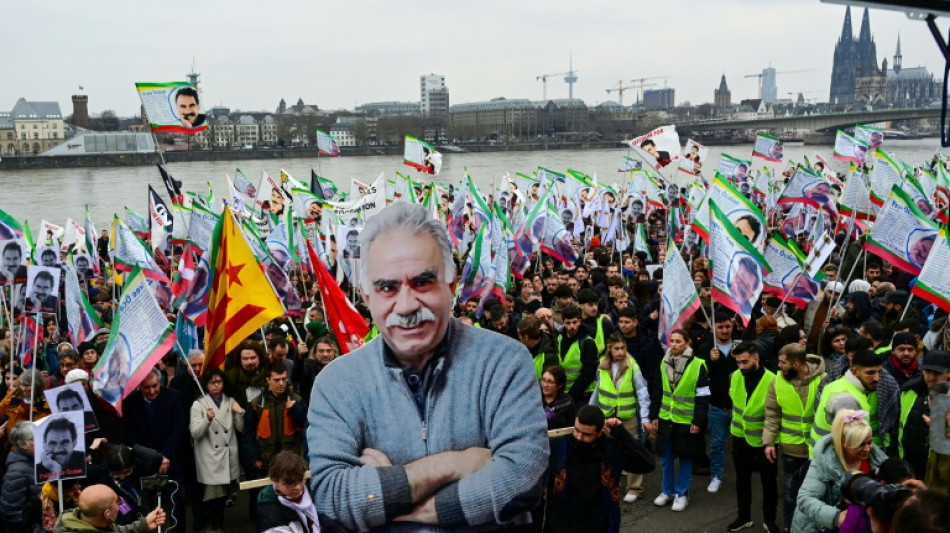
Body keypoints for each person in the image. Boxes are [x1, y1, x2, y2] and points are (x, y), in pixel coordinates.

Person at [307, 202, 548, 530]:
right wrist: (452, 465)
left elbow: (523, 479)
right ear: (366, 296)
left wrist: (389, 491)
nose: (406, 306)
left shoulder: (505, 362)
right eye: (387, 287)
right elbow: (332, 499)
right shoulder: (336, 384)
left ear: (451, 285)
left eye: (422, 282)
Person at [544, 405, 655, 533]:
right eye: (577, 430)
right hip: (561, 525)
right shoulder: (558, 447)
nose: (579, 437)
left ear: (599, 433)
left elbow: (647, 463)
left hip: (598, 525)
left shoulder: (611, 450)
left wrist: (622, 434)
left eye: (587, 434)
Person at [792, 409, 888, 533]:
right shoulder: (823, 463)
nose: (867, 449)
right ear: (843, 442)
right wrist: (836, 517)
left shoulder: (878, 460)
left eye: (869, 442)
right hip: (818, 527)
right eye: (860, 444)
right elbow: (805, 499)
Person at [763, 343, 826, 533]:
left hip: (817, 450)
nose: (779, 366)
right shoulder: (777, 381)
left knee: (817, 493)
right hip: (791, 448)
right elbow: (772, 413)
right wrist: (769, 442)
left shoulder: (823, 380)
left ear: (797, 364)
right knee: (791, 492)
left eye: (783, 362)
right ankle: (789, 527)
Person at [121, 369, 187, 533]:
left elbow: (179, 427)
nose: (152, 391)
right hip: (144, 463)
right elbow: (130, 434)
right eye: (147, 387)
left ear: (160, 382)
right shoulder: (130, 402)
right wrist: (149, 457)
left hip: (170, 459)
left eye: (155, 386)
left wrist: (165, 454)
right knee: (146, 506)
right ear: (139, 386)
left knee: (175, 502)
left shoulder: (173, 396)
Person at [651, 328, 710, 512]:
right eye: (672, 341)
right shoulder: (664, 362)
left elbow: (703, 397)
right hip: (666, 417)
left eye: (678, 341)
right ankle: (667, 491)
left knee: (686, 458)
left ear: (687, 343)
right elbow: (658, 390)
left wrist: (698, 421)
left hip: (686, 420)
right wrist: (654, 415)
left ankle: (682, 493)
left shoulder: (698, 365)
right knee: (665, 458)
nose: (674, 345)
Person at [589, 332, 652, 503]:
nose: (621, 352)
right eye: (616, 348)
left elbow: (642, 392)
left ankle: (634, 488)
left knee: (632, 449)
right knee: (607, 451)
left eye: (623, 348)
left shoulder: (632, 365)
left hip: (627, 416)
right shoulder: (602, 365)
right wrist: (590, 411)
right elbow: (598, 389)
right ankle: (609, 484)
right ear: (609, 349)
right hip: (607, 415)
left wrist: (645, 417)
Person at [726, 343, 778, 533]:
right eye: (738, 362)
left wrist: (770, 437)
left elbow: (777, 412)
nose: (741, 366)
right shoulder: (735, 376)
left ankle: (769, 520)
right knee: (742, 480)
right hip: (739, 436)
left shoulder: (772, 380)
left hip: (764, 440)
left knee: (769, 482)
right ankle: (743, 517)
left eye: (745, 362)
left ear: (757, 359)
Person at [190, 368, 245, 533]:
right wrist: (207, 419)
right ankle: (216, 527)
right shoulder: (199, 404)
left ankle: (217, 524)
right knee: (215, 497)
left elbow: (240, 428)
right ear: (206, 385)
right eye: (212, 382)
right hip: (211, 458)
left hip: (228, 456)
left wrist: (240, 412)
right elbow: (195, 432)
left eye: (219, 382)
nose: (216, 385)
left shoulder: (230, 401)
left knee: (223, 496)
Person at [695, 311, 740, 493]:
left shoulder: (740, 346)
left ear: (732, 326)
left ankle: (742, 476)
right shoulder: (706, 348)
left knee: (741, 446)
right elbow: (698, 375)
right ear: (714, 328)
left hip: (739, 407)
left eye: (727, 326)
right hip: (716, 406)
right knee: (716, 444)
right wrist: (710, 361)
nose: (725, 330)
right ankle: (716, 476)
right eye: (720, 327)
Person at [898, 350, 950, 478]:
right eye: (927, 371)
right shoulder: (909, 391)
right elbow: (897, 427)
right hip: (907, 465)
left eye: (937, 373)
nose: (931, 377)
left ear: (948, 373)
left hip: (937, 470)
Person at [52, 484, 166, 533]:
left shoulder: (74, 519)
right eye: (117, 502)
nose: (121, 503)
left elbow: (114, 530)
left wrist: (144, 524)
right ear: (107, 514)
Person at [256, 451, 319, 533]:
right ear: (275, 481)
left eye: (300, 480)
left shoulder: (310, 491)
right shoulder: (270, 511)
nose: (298, 487)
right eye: (289, 483)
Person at [1, 421, 42, 533]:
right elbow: (12, 514)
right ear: (23, 445)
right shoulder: (16, 473)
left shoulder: (40, 462)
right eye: (35, 439)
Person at [557, 305, 600, 403]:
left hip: (584, 394)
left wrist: (571, 396)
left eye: (574, 322)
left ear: (579, 322)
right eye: (568, 323)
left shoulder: (588, 342)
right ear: (563, 323)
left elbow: (588, 373)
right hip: (563, 393)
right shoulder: (558, 339)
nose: (572, 326)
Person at [37, 416, 86, 481]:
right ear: (45, 445)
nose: (58, 449)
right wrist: (55, 470)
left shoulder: (84, 461)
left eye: (64, 442)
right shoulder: (36, 471)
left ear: (74, 443)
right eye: (53, 443)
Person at [541, 365, 576, 431]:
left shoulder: (566, 402)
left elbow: (571, 427)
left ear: (560, 385)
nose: (545, 385)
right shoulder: (534, 399)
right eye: (543, 380)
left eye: (550, 382)